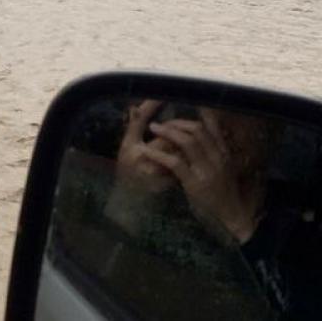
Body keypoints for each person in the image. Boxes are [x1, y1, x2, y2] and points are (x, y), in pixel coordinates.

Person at [111, 100, 322, 320]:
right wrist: (128, 199)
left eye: (240, 108)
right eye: (202, 105)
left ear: (275, 128)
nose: (217, 126)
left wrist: (236, 225)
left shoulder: (306, 230)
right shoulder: (162, 200)